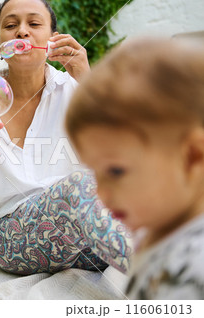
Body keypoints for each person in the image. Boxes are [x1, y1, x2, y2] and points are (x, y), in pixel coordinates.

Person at [0, 0, 132, 275]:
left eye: (33, 24)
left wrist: (87, 79)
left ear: (52, 39)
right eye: (11, 25)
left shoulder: (77, 89)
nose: (22, 32)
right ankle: (160, 280)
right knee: (81, 184)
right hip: (10, 238)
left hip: (79, 239)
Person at [65, 37, 204, 299]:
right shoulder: (155, 228)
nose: (101, 194)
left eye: (116, 171)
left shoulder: (192, 267)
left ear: (193, 157)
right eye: (94, 172)